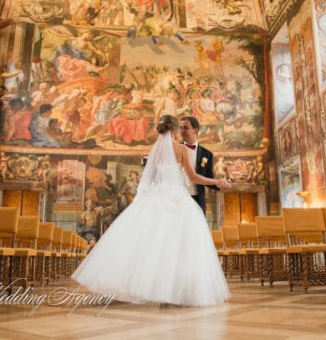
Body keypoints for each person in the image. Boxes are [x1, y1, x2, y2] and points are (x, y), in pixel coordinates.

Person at [72, 115, 231, 306]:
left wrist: (145, 199)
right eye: (178, 129)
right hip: (177, 199)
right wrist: (216, 181)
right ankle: (174, 291)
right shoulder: (181, 149)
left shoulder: (154, 151)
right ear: (173, 130)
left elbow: (150, 180)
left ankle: (137, 285)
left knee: (150, 245)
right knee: (178, 246)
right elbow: (193, 177)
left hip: (155, 197)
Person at [179, 116, 219, 215]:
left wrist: (220, 184)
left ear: (195, 130)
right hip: (177, 199)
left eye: (186, 128)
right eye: (180, 128)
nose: (182, 131)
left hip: (197, 199)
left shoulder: (206, 154)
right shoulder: (174, 150)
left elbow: (208, 178)